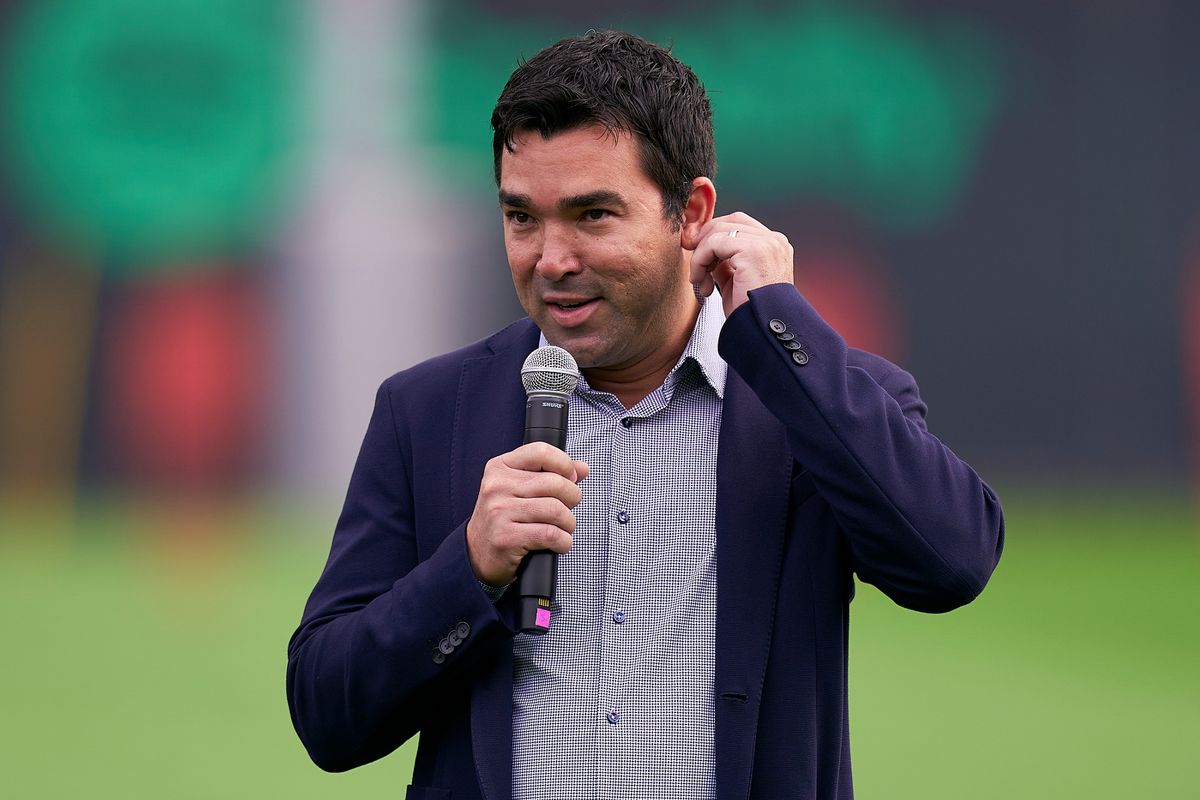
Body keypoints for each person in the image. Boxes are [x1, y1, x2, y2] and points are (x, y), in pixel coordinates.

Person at [286, 30, 1004, 800]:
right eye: (522, 217)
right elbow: (328, 716)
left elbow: (952, 563)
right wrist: (466, 568)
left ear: (691, 213)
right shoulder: (427, 412)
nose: (550, 258)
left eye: (592, 214)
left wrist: (785, 325)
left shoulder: (814, 402)